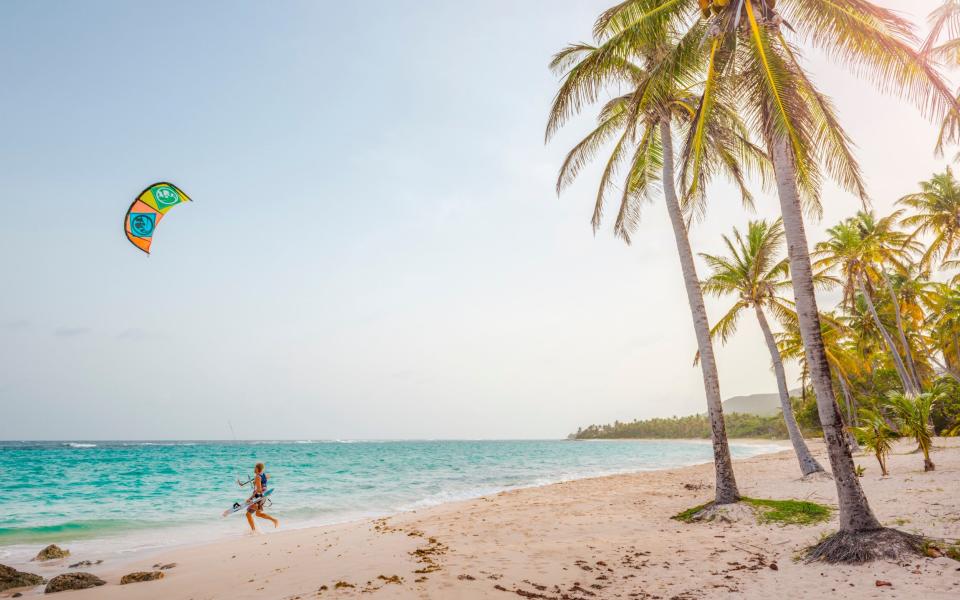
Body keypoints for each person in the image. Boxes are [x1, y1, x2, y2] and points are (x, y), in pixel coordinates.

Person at [245, 462, 279, 532]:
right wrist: (258, 481)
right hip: (264, 496)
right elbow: (268, 476)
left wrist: (250, 498)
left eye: (255, 468)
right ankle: (274, 520)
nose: (254, 469)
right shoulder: (263, 475)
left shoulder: (258, 477)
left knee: (248, 514)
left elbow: (259, 490)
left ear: (257, 469)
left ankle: (253, 531)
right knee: (258, 514)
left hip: (259, 497)